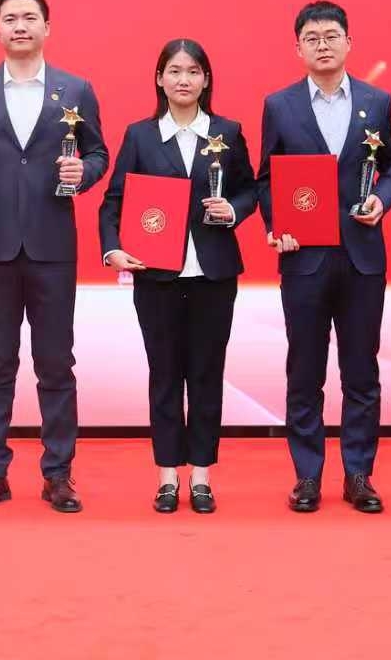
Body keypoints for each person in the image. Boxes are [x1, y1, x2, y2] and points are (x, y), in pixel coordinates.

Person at [0, 0, 106, 514]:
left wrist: (84, 173)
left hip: (53, 245)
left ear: (46, 27)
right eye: (10, 19)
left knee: (55, 362)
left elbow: (99, 154)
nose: (20, 26)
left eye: (29, 17)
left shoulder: (76, 89)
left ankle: (59, 473)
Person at [256, 0, 391, 515]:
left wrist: (381, 199)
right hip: (304, 259)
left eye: (331, 36)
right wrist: (278, 226)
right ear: (298, 48)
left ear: (348, 43)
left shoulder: (377, 101)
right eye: (312, 38)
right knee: (305, 370)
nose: (322, 45)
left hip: (363, 256)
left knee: (361, 370)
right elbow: (266, 178)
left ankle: (359, 473)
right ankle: (307, 475)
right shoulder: (280, 105)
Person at [98, 39, 255, 514]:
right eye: (174, 71)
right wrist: (113, 249)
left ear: (206, 80)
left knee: (207, 374)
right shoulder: (140, 136)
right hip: (156, 277)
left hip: (213, 275)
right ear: (159, 79)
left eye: (193, 71)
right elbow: (114, 202)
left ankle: (201, 475)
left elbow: (250, 190)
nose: (183, 79)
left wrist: (234, 209)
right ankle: (167, 475)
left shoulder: (227, 132)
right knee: (164, 375)